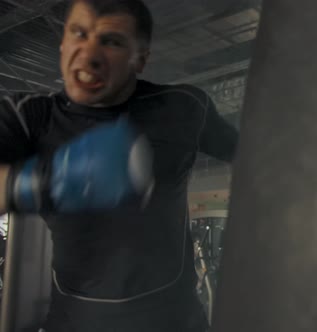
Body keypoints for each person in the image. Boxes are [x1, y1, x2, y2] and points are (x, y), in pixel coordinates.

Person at [0, 0, 238, 330]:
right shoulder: (32, 117)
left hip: (176, 322)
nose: (88, 55)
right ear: (63, 41)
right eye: (78, 34)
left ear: (140, 59)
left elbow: (251, 156)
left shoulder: (183, 107)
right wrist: (43, 182)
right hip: (76, 322)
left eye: (111, 41)